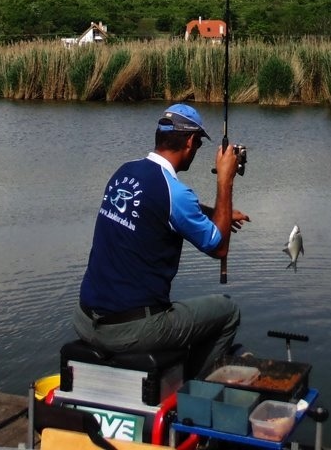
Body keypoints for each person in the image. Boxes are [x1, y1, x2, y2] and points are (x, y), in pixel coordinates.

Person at [75, 103, 250, 379]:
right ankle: (191, 394)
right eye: (200, 144)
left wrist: (217, 214)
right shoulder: (175, 192)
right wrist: (225, 180)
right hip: (130, 330)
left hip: (85, 320)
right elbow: (219, 247)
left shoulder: (124, 172)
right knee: (227, 311)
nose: (198, 149)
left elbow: (156, 207)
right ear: (191, 141)